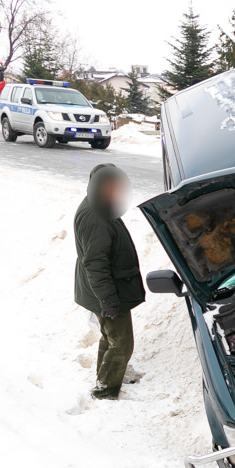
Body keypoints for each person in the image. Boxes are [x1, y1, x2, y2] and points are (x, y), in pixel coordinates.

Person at [74, 164, 145, 400]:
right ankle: (105, 391)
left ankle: (104, 378)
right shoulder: (95, 218)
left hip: (107, 290)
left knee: (110, 336)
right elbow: (95, 264)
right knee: (122, 343)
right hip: (107, 292)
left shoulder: (99, 206)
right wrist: (108, 300)